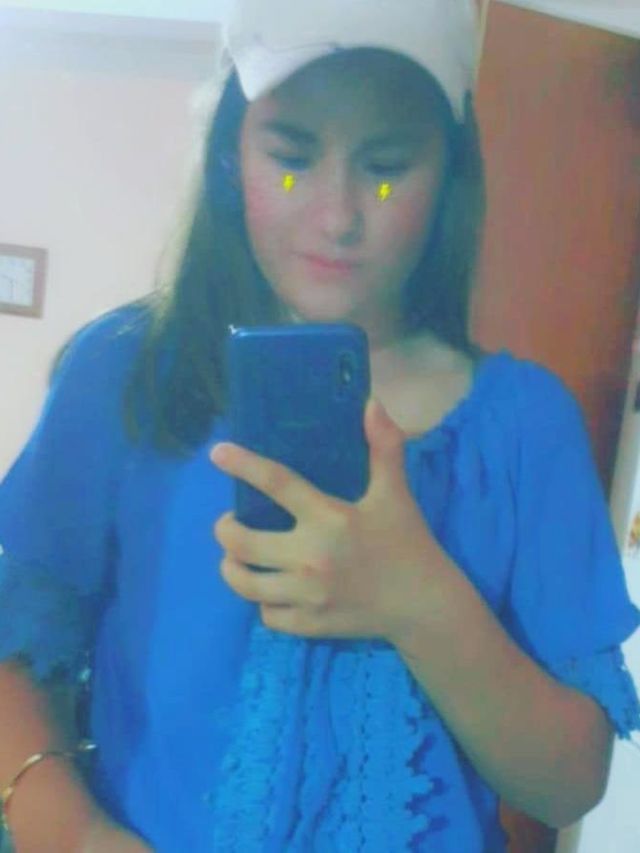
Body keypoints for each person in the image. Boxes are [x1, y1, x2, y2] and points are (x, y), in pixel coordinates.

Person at [1, 0, 639, 850]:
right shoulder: (127, 373)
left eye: (387, 167)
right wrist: (71, 830)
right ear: (231, 152)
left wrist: (418, 597)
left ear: (451, 175)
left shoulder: (524, 426)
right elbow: (19, 644)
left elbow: (568, 781)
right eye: (292, 157)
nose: (338, 216)